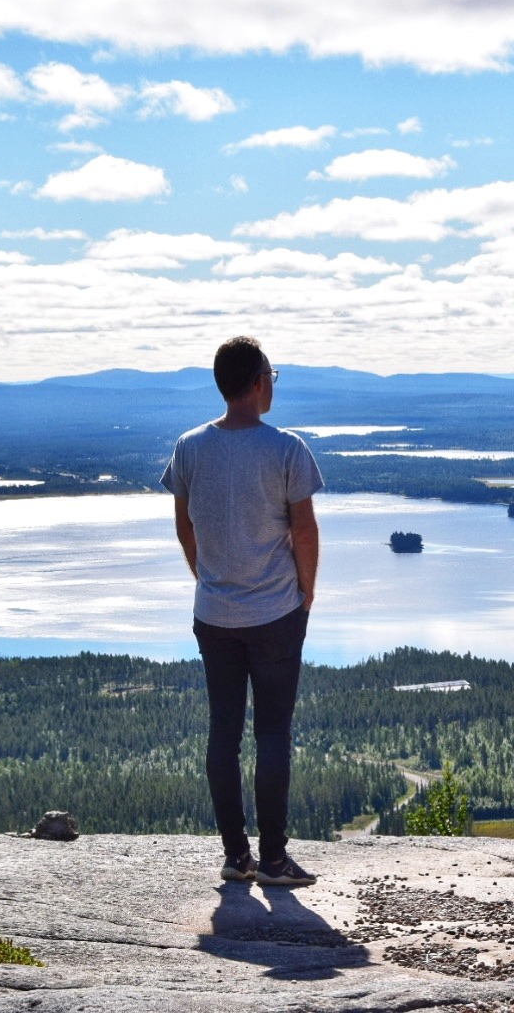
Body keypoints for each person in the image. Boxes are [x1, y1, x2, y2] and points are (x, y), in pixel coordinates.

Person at [160, 337, 323, 886]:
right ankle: (274, 860)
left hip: (214, 613)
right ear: (257, 383)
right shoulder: (287, 448)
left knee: (222, 733)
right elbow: (303, 529)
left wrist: (202, 576)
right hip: (276, 613)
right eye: (272, 375)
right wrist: (306, 592)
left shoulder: (188, 447)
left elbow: (184, 524)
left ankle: (237, 856)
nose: (273, 382)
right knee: (273, 733)